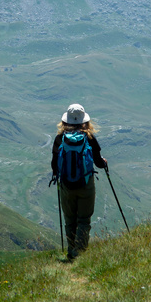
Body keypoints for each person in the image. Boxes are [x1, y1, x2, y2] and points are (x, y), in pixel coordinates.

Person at [51, 103, 107, 261]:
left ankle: (71, 252)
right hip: (85, 184)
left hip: (66, 185)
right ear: (84, 121)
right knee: (83, 219)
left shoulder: (60, 138)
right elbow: (98, 162)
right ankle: (80, 252)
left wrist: (58, 174)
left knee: (70, 220)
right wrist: (104, 163)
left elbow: (54, 164)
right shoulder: (89, 138)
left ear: (65, 121)